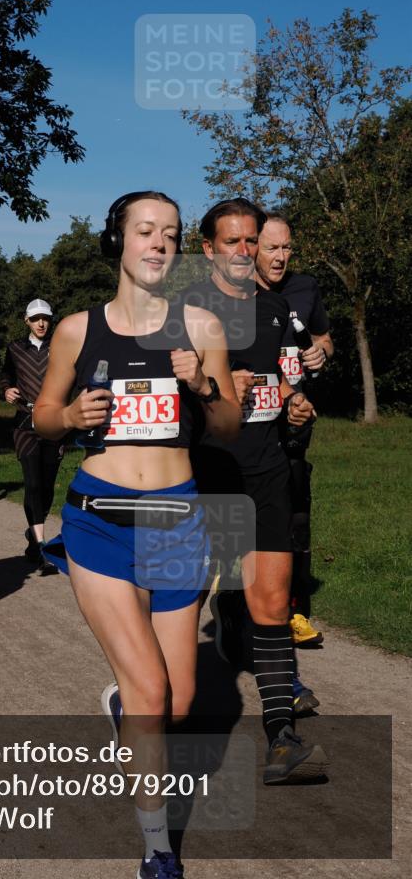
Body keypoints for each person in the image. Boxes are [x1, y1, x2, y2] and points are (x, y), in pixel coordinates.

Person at [34, 191, 241, 879]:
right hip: (101, 518)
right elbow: (39, 418)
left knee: (173, 701)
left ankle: (122, 704)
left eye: (171, 234)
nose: (159, 243)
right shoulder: (75, 330)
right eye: (145, 231)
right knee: (155, 693)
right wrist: (69, 414)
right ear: (118, 241)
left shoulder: (203, 324)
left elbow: (231, 428)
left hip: (177, 522)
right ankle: (156, 851)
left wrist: (203, 387)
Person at [184, 197, 329, 784]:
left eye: (253, 241)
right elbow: (152, 402)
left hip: (265, 469)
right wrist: (207, 389)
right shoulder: (186, 310)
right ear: (208, 249)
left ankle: (281, 740)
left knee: (271, 604)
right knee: (179, 602)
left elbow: (283, 381)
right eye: (233, 242)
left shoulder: (274, 310)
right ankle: (159, 712)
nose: (245, 253)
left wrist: (292, 401)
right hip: (203, 473)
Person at [256, 212, 334, 649]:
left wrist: (322, 353)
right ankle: (238, 607)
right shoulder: (237, 296)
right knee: (251, 519)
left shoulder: (305, 288)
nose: (281, 257)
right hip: (252, 424)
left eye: (287, 248)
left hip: (297, 419)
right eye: (272, 248)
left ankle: (296, 611)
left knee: (297, 515)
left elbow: (325, 337)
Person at [1, 299, 64, 573]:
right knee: (33, 481)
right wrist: (6, 389)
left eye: (46, 319)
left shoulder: (61, 346)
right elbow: (6, 376)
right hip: (24, 422)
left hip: (55, 423)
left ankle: (32, 535)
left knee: (48, 486)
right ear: (26, 320)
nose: (41, 323)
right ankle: (41, 546)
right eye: (36, 318)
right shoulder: (15, 348)